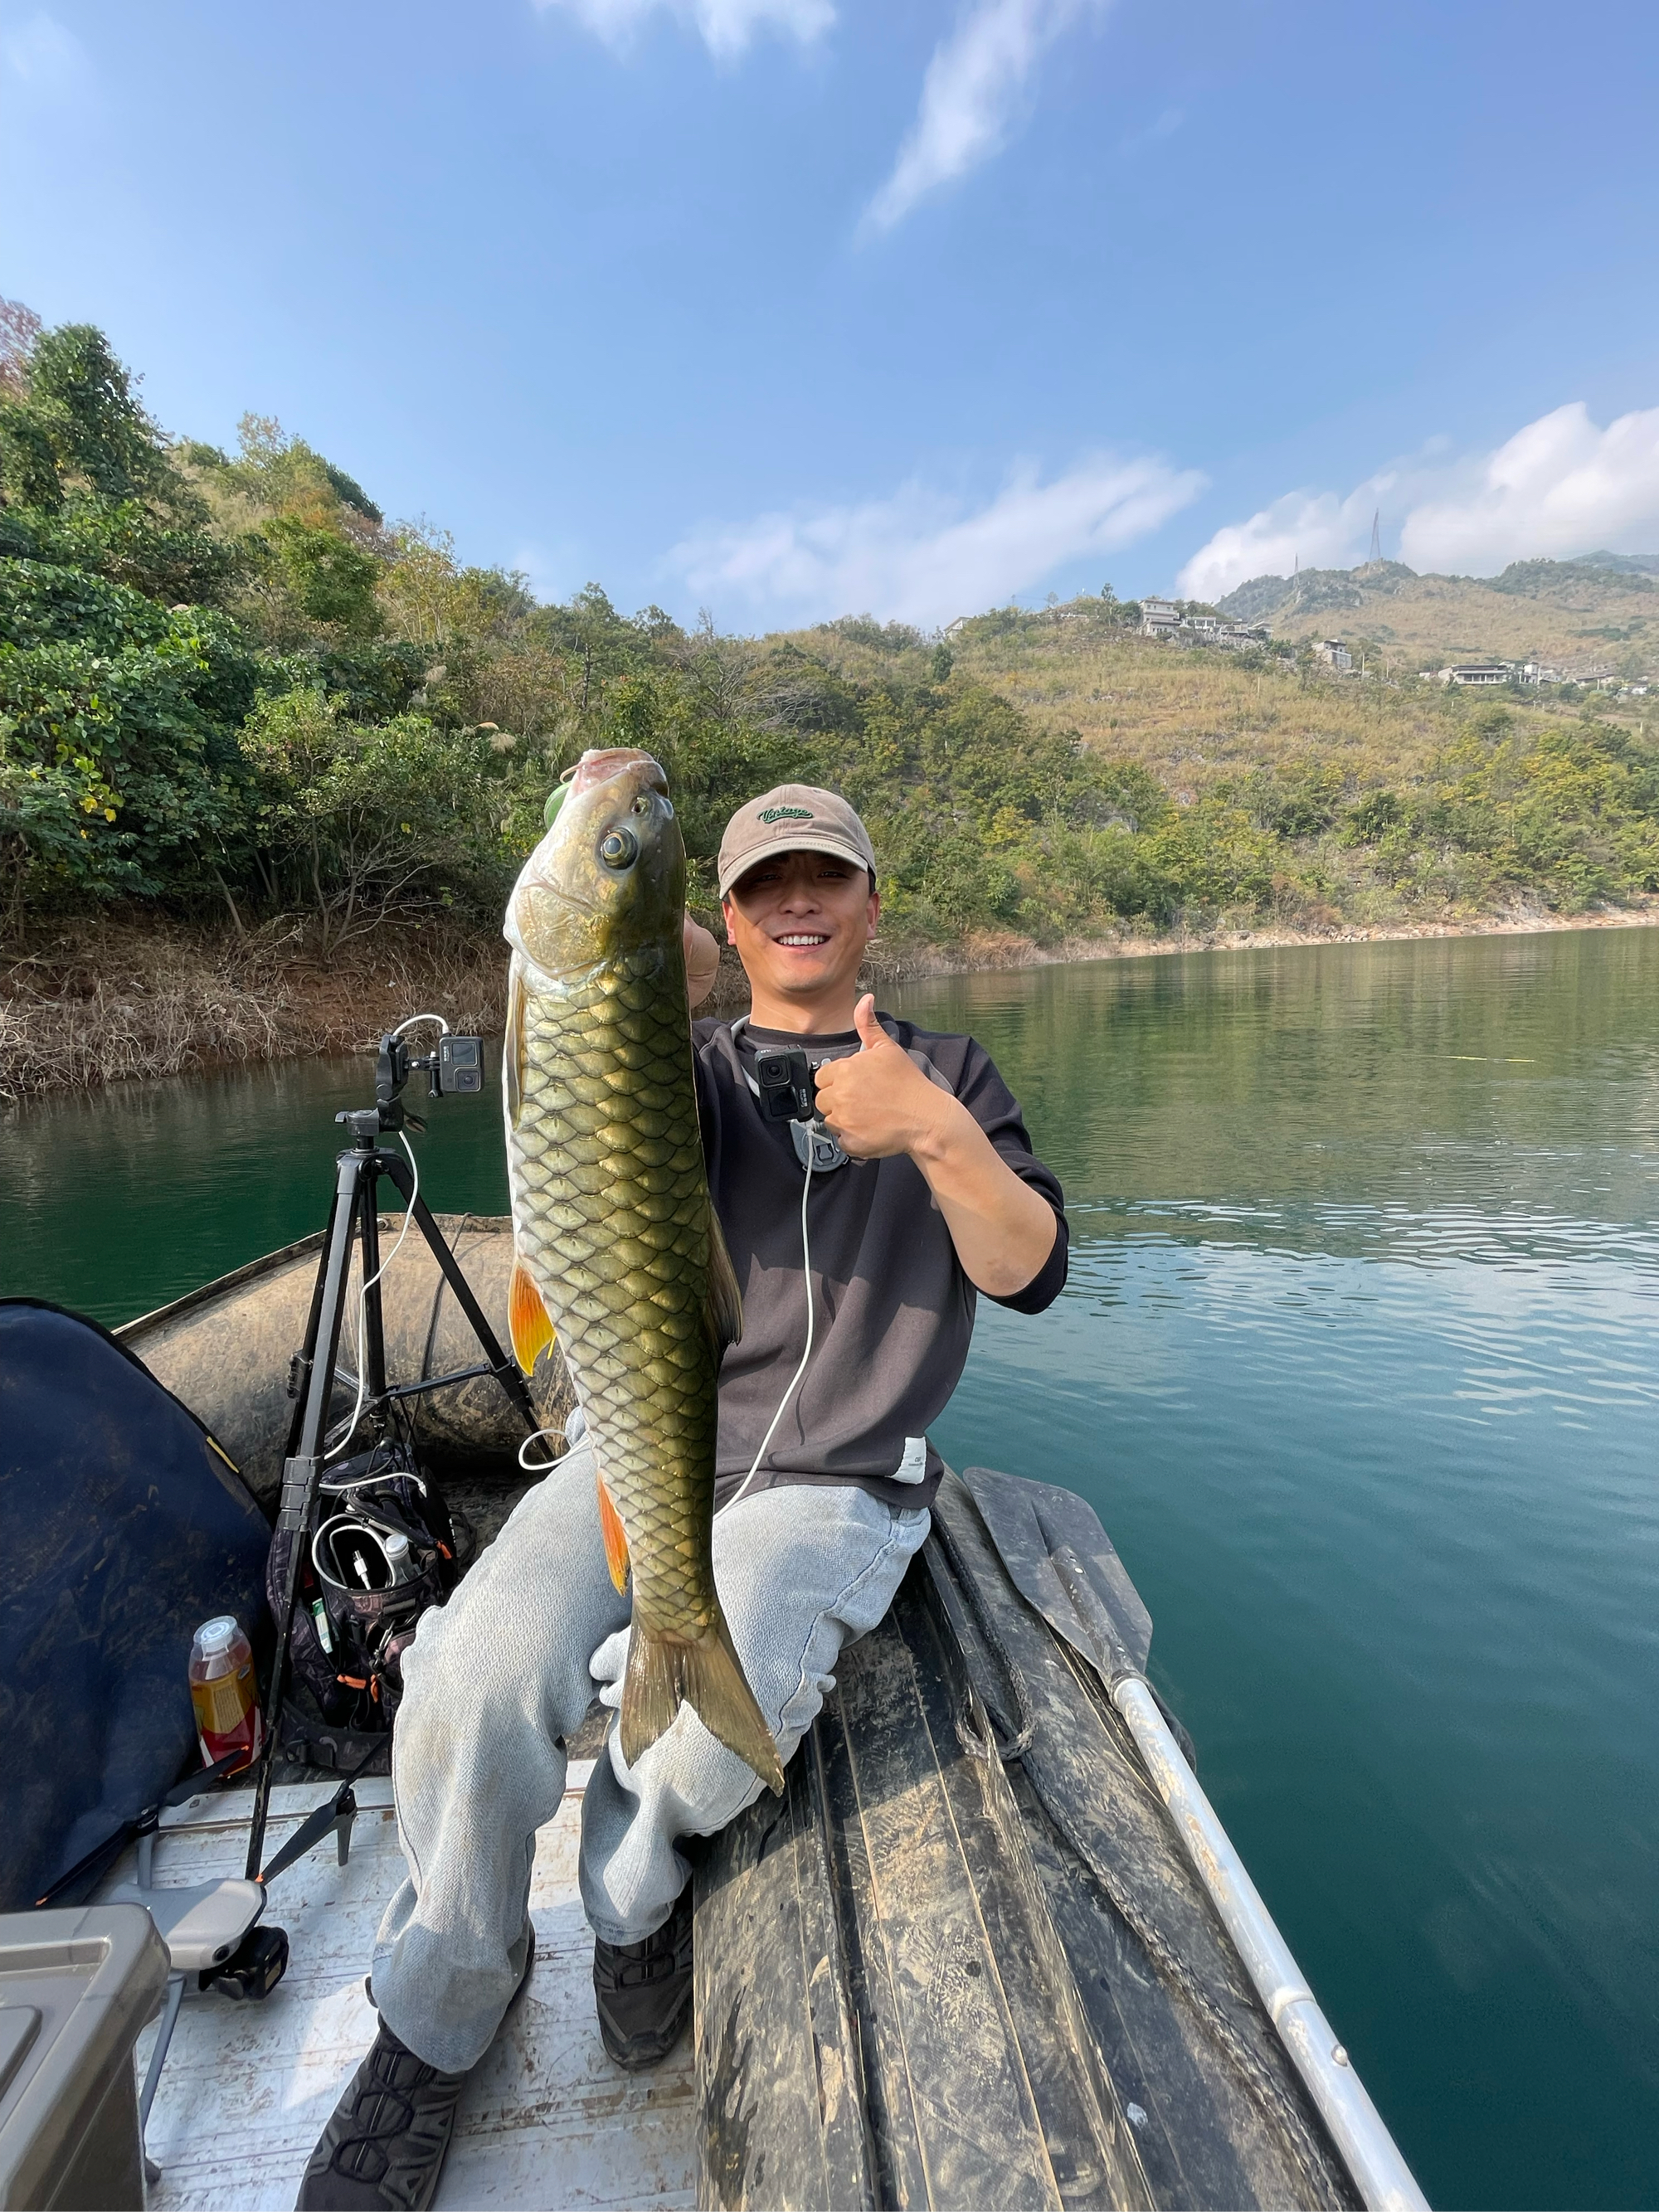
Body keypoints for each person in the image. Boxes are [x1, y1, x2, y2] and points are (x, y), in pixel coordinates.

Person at [298, 784, 1069, 2211]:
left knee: (724, 1703)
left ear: (868, 902)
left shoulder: (947, 1067)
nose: (796, 900)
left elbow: (1028, 1268)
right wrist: (626, 939)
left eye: (823, 876)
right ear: (719, 915)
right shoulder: (684, 1065)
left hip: (831, 1481)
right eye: (763, 879)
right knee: (467, 1673)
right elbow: (578, 1036)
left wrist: (933, 1130)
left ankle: (628, 1911)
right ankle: (443, 2002)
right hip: (646, 1442)